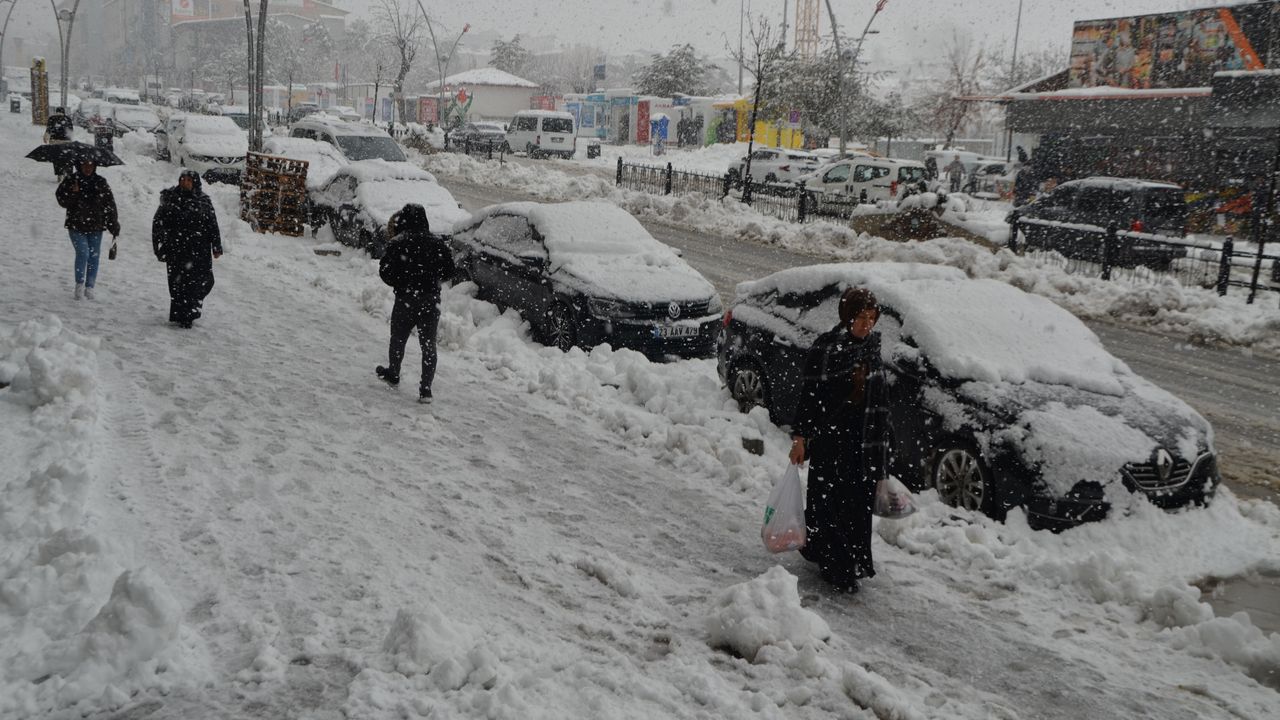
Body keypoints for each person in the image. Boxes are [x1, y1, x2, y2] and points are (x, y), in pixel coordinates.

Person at [788, 288, 890, 594]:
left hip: (862, 445)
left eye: (871, 318)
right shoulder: (826, 349)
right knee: (828, 504)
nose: (866, 325)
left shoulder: (873, 348)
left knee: (855, 508)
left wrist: (885, 443)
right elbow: (809, 398)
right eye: (861, 317)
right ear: (848, 317)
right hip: (832, 442)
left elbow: (881, 401)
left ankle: (850, 560)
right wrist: (800, 438)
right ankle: (838, 567)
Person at [375, 204, 455, 404]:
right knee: (428, 345)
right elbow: (450, 271)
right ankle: (426, 389)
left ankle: (394, 372)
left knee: (398, 339)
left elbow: (385, 271)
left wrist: (401, 282)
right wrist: (433, 280)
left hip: (406, 299)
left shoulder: (398, 243)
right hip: (430, 300)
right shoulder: (438, 244)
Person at [152, 170, 222, 328]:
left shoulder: (203, 201)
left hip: (198, 251)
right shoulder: (170, 199)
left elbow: (212, 224)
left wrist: (216, 246)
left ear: (195, 182)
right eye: (183, 179)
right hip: (176, 249)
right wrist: (159, 246)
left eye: (189, 180)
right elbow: (158, 223)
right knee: (177, 284)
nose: (185, 183)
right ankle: (180, 314)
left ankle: (190, 312)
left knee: (201, 282)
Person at [55, 160, 120, 300]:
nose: (88, 168)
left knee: (94, 256)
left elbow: (109, 204)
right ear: (79, 165)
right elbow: (61, 200)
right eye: (84, 164)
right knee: (83, 253)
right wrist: (73, 193)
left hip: (96, 225)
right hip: (76, 225)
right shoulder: (72, 180)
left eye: (91, 165)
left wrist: (113, 223)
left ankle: (90, 287)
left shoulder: (101, 182)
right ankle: (79, 284)